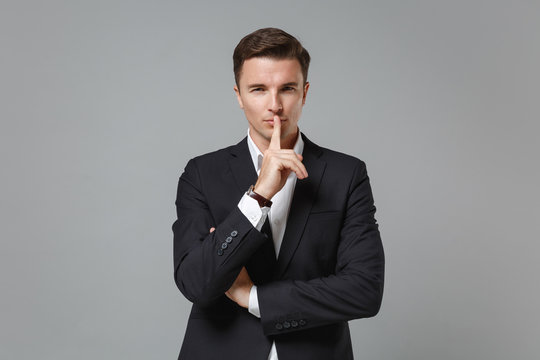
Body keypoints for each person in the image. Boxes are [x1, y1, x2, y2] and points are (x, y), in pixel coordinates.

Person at [172, 27, 385, 360]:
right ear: (239, 96)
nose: (275, 105)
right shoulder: (201, 174)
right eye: (258, 89)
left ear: (304, 93)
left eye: (287, 88)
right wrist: (258, 195)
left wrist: (253, 298)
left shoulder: (347, 174)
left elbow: (364, 291)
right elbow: (196, 283)